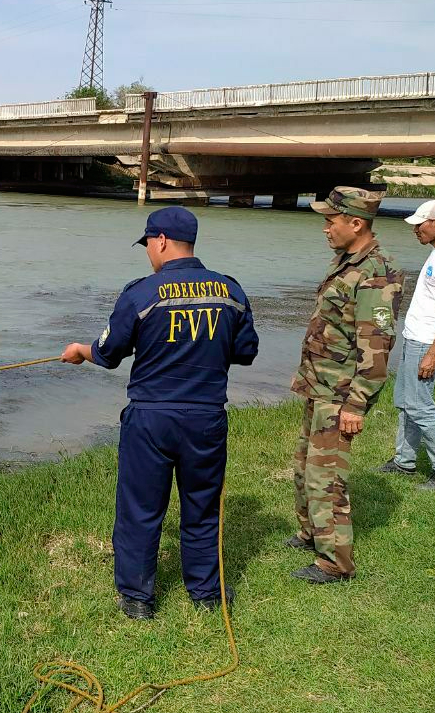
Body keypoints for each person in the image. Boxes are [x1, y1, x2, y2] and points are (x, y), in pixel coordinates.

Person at [61, 206, 258, 620]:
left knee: (140, 509)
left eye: (148, 243)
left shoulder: (140, 293)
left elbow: (109, 352)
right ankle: (206, 594)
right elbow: (246, 352)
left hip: (150, 419)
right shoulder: (230, 292)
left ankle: (137, 598)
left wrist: (81, 352)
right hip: (205, 419)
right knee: (201, 506)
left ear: (162, 241)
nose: (148, 251)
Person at [288, 187, 403, 584]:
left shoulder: (376, 274)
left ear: (356, 224)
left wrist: (356, 405)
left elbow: (377, 348)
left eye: (330, 221)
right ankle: (310, 534)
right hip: (319, 386)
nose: (325, 229)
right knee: (305, 467)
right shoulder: (347, 261)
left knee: (326, 477)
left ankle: (335, 563)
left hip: (339, 396)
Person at [377, 200, 435, 489]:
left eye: (420, 224)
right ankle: (404, 461)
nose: (415, 229)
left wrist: (433, 351)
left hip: (427, 342)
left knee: (420, 405)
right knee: (406, 402)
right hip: (415, 337)